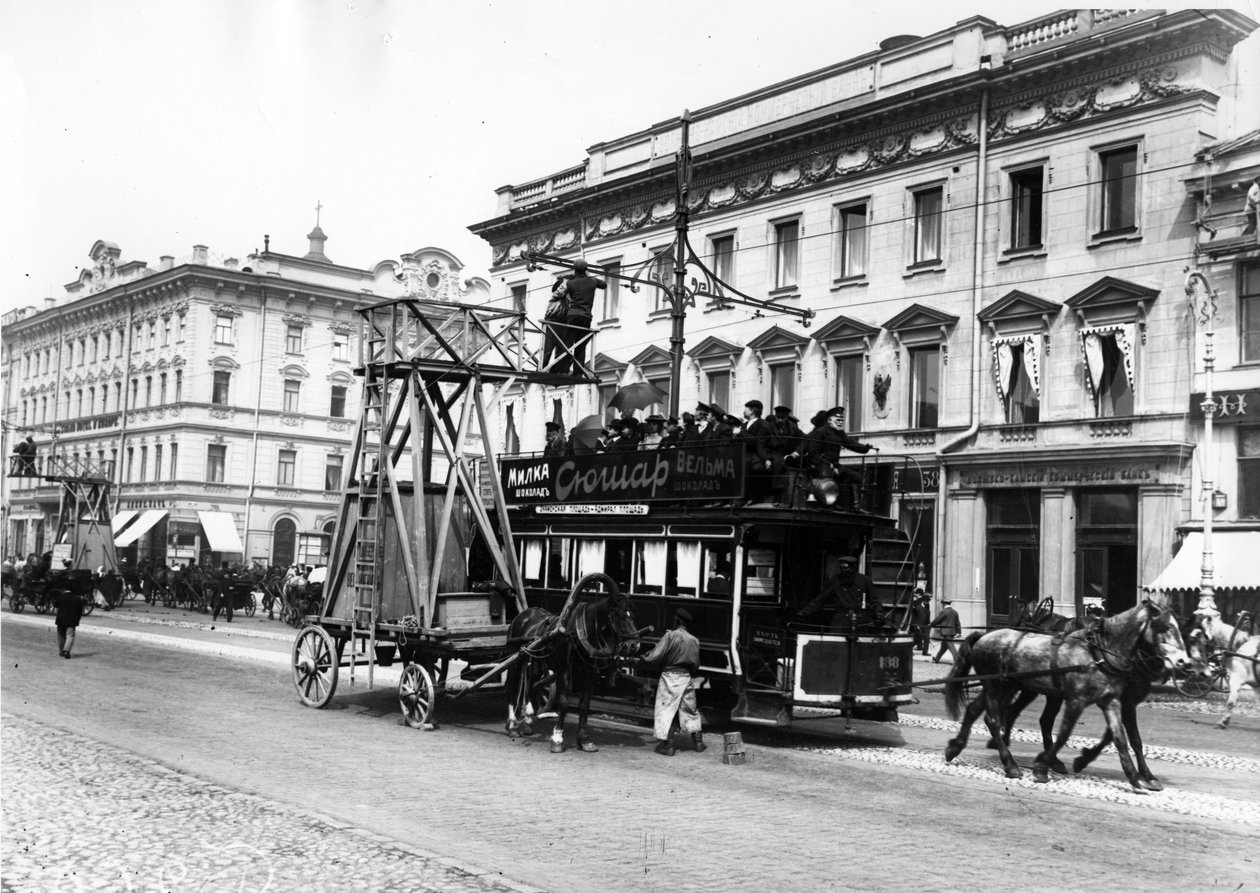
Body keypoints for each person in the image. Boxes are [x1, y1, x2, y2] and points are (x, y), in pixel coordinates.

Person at [639, 607, 704, 756]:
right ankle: (699, 742)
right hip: (686, 678)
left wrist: (645, 658)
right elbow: (696, 664)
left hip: (670, 677)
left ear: (678, 620)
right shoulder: (694, 640)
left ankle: (669, 746)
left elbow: (656, 655)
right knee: (690, 709)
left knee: (666, 710)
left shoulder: (670, 636)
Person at [802, 406, 875, 510]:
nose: (841, 422)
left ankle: (855, 506)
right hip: (820, 467)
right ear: (829, 420)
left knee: (856, 476)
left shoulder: (839, 433)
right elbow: (813, 454)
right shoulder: (820, 432)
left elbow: (851, 444)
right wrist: (827, 465)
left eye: (842, 420)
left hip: (834, 466)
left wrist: (865, 448)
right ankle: (833, 503)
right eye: (838, 420)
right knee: (833, 476)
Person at [798, 555, 883, 631]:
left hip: (860, 621)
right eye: (841, 568)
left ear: (854, 568)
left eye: (846, 569)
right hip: (840, 621)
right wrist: (804, 613)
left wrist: (879, 613)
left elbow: (874, 600)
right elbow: (820, 599)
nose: (844, 571)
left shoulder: (865, 581)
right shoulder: (835, 580)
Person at [551, 259, 605, 375]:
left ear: (574, 270)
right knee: (581, 346)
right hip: (586, 317)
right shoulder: (593, 281)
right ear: (586, 269)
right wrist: (589, 276)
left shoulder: (570, 283)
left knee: (568, 344)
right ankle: (578, 372)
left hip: (573, 316)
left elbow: (562, 293)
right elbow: (604, 285)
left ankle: (562, 369)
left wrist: (572, 278)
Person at [55, 581, 84, 659]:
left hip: (61, 620)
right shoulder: (77, 599)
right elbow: (80, 611)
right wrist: (78, 618)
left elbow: (56, 606)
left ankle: (61, 651)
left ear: (64, 589)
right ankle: (67, 650)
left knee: (61, 636)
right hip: (72, 620)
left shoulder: (61, 597)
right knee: (70, 636)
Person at [929, 598, 961, 663]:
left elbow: (938, 620)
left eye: (942, 604)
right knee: (944, 647)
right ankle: (937, 658)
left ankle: (957, 660)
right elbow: (958, 623)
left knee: (951, 646)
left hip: (946, 632)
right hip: (952, 632)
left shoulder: (944, 611)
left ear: (944, 604)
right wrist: (959, 632)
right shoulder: (954, 612)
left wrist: (930, 625)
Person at [909, 586, 932, 655]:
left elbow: (928, 614)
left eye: (928, 601)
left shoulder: (927, 605)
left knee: (927, 639)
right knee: (917, 639)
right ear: (923, 600)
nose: (927, 603)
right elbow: (912, 616)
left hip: (925, 625)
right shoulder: (916, 606)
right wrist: (916, 625)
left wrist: (929, 623)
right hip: (918, 625)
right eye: (926, 601)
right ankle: (909, 649)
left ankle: (925, 652)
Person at [1242, 174, 1260, 238]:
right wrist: (1256, 201)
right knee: (1253, 222)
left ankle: (1245, 235)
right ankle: (1247, 236)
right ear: (1257, 180)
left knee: (1254, 222)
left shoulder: (1257, 187)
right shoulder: (1254, 187)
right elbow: (1251, 196)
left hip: (1253, 209)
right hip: (1251, 210)